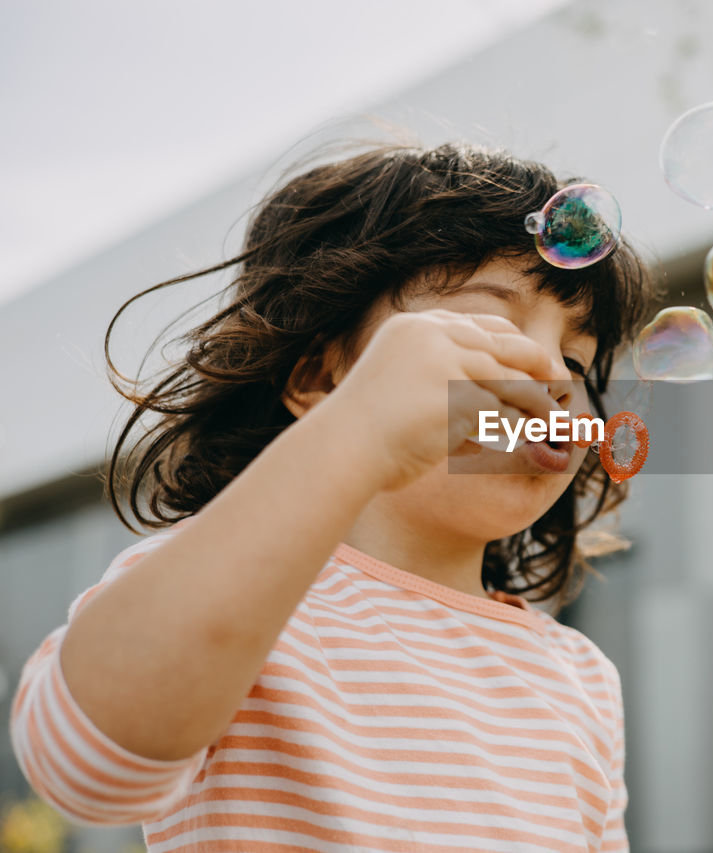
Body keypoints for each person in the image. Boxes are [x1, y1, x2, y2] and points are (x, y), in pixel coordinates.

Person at [8, 140, 653, 852]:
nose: (551, 376)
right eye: (490, 331)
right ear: (321, 379)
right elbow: (83, 766)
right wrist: (359, 433)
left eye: (576, 360)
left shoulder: (581, 677)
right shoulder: (241, 592)